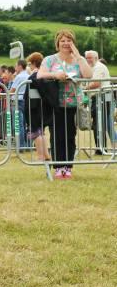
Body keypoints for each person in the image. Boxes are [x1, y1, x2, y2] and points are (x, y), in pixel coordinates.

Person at [37, 30, 92, 179]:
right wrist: (55, 75)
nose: (66, 43)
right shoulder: (50, 59)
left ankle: (68, 167)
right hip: (56, 104)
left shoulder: (79, 59)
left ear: (73, 43)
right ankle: (58, 167)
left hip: (73, 104)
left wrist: (78, 55)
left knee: (70, 136)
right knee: (57, 136)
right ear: (57, 43)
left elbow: (88, 75)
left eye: (69, 40)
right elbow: (40, 75)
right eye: (63, 41)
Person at [23, 52, 52, 162]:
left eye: (30, 64)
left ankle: (40, 156)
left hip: (34, 108)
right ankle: (46, 155)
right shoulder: (45, 74)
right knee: (41, 131)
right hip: (42, 107)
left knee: (35, 132)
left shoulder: (35, 75)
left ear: (34, 63)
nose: (29, 66)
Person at [85, 50, 112, 154]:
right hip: (98, 97)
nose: (88, 60)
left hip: (102, 97)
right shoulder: (93, 67)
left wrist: (83, 89)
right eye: (86, 58)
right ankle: (100, 148)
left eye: (90, 57)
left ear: (96, 58)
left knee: (99, 123)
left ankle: (101, 148)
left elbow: (96, 83)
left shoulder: (99, 67)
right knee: (98, 123)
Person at [10, 59, 30, 150]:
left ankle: (21, 146)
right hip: (26, 101)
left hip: (18, 101)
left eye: (16, 66)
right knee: (26, 124)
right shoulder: (28, 76)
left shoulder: (18, 77)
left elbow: (12, 90)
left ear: (20, 66)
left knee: (19, 125)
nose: (15, 68)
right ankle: (28, 145)